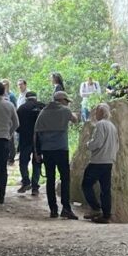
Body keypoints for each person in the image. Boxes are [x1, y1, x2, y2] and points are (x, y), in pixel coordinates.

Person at [34, 91, 80, 219]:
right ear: (62, 100)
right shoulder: (65, 111)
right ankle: (66, 208)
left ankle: (53, 209)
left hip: (47, 150)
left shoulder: (43, 112)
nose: (67, 103)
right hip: (61, 149)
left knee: (50, 179)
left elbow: (36, 134)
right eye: (66, 101)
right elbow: (76, 120)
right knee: (65, 178)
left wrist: (37, 153)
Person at [82, 103, 118, 224]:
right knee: (105, 189)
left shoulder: (100, 124)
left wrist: (88, 145)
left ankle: (96, 208)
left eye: (96, 111)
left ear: (102, 112)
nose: (94, 114)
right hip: (108, 161)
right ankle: (106, 215)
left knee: (86, 184)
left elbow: (97, 142)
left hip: (98, 161)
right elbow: (116, 144)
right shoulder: (112, 126)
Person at [16, 92, 45, 195]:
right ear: (36, 98)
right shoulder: (42, 107)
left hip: (25, 139)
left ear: (26, 98)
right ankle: (35, 187)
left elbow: (16, 125)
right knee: (37, 161)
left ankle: (25, 181)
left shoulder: (21, 108)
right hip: (39, 139)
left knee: (23, 161)